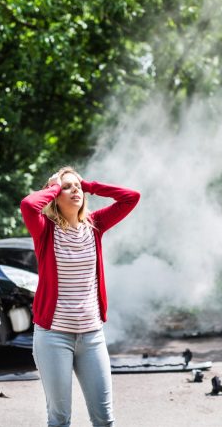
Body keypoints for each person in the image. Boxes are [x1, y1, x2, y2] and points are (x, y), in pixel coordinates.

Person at [20, 166, 140, 427]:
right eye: (67, 187)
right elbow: (28, 205)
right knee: (60, 420)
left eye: (77, 187)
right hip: (53, 337)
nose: (74, 190)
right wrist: (54, 186)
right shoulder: (45, 231)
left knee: (104, 419)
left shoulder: (95, 225)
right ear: (54, 197)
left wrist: (89, 185)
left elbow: (131, 197)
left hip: (92, 336)